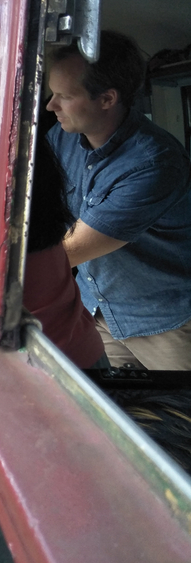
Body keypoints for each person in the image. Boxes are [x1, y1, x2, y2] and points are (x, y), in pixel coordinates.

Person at [46, 30, 191, 369]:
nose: (52, 105)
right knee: (116, 412)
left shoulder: (155, 163)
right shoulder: (62, 137)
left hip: (165, 323)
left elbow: (69, 250)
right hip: (98, 313)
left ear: (107, 99)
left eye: (64, 96)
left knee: (178, 417)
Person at [24, 137, 105, 369]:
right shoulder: (56, 142)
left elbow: (76, 248)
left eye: (66, 97)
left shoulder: (149, 160)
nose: (52, 105)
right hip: (78, 345)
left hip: (46, 364)